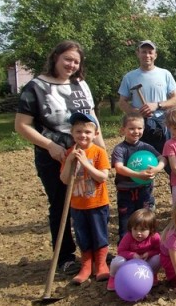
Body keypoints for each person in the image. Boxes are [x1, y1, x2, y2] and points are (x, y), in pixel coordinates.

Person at [15, 40, 105, 274]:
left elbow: (93, 119)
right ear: (55, 57)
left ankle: (97, 253)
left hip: (87, 152)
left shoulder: (81, 84)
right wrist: (50, 146)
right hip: (54, 156)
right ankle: (65, 256)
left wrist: (102, 149)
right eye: (67, 59)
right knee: (61, 203)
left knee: (91, 201)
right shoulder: (35, 87)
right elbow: (22, 126)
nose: (72, 64)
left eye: (76, 61)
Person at [60, 113, 111, 284]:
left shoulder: (99, 152)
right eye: (79, 131)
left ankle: (102, 264)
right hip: (77, 205)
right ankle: (86, 265)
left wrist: (85, 163)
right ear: (72, 133)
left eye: (88, 132)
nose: (83, 135)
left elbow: (102, 177)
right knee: (82, 236)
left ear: (95, 134)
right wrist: (69, 161)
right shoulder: (69, 153)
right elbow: (65, 179)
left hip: (97, 203)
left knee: (99, 234)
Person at [118, 40, 176, 153]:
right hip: (140, 125)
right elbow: (122, 102)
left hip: (162, 124)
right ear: (138, 53)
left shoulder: (165, 74)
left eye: (150, 52)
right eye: (144, 52)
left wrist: (157, 105)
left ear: (155, 55)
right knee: (142, 160)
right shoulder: (129, 77)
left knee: (167, 158)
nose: (147, 55)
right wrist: (135, 111)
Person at [112, 113, 167, 241]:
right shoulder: (120, 149)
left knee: (146, 219)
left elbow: (162, 158)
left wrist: (157, 169)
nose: (136, 131)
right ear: (123, 130)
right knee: (126, 221)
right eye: (131, 128)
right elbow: (119, 167)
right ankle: (125, 249)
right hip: (126, 193)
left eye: (139, 128)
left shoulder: (146, 147)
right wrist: (138, 174)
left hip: (144, 191)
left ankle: (149, 245)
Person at [107, 208, 161, 291]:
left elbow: (159, 250)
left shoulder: (155, 237)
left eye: (142, 230)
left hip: (145, 262)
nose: (138, 233)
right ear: (131, 228)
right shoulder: (128, 237)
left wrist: (149, 253)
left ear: (151, 229)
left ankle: (152, 275)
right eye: (135, 229)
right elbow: (121, 251)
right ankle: (113, 277)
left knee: (158, 258)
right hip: (128, 263)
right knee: (117, 261)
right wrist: (132, 255)